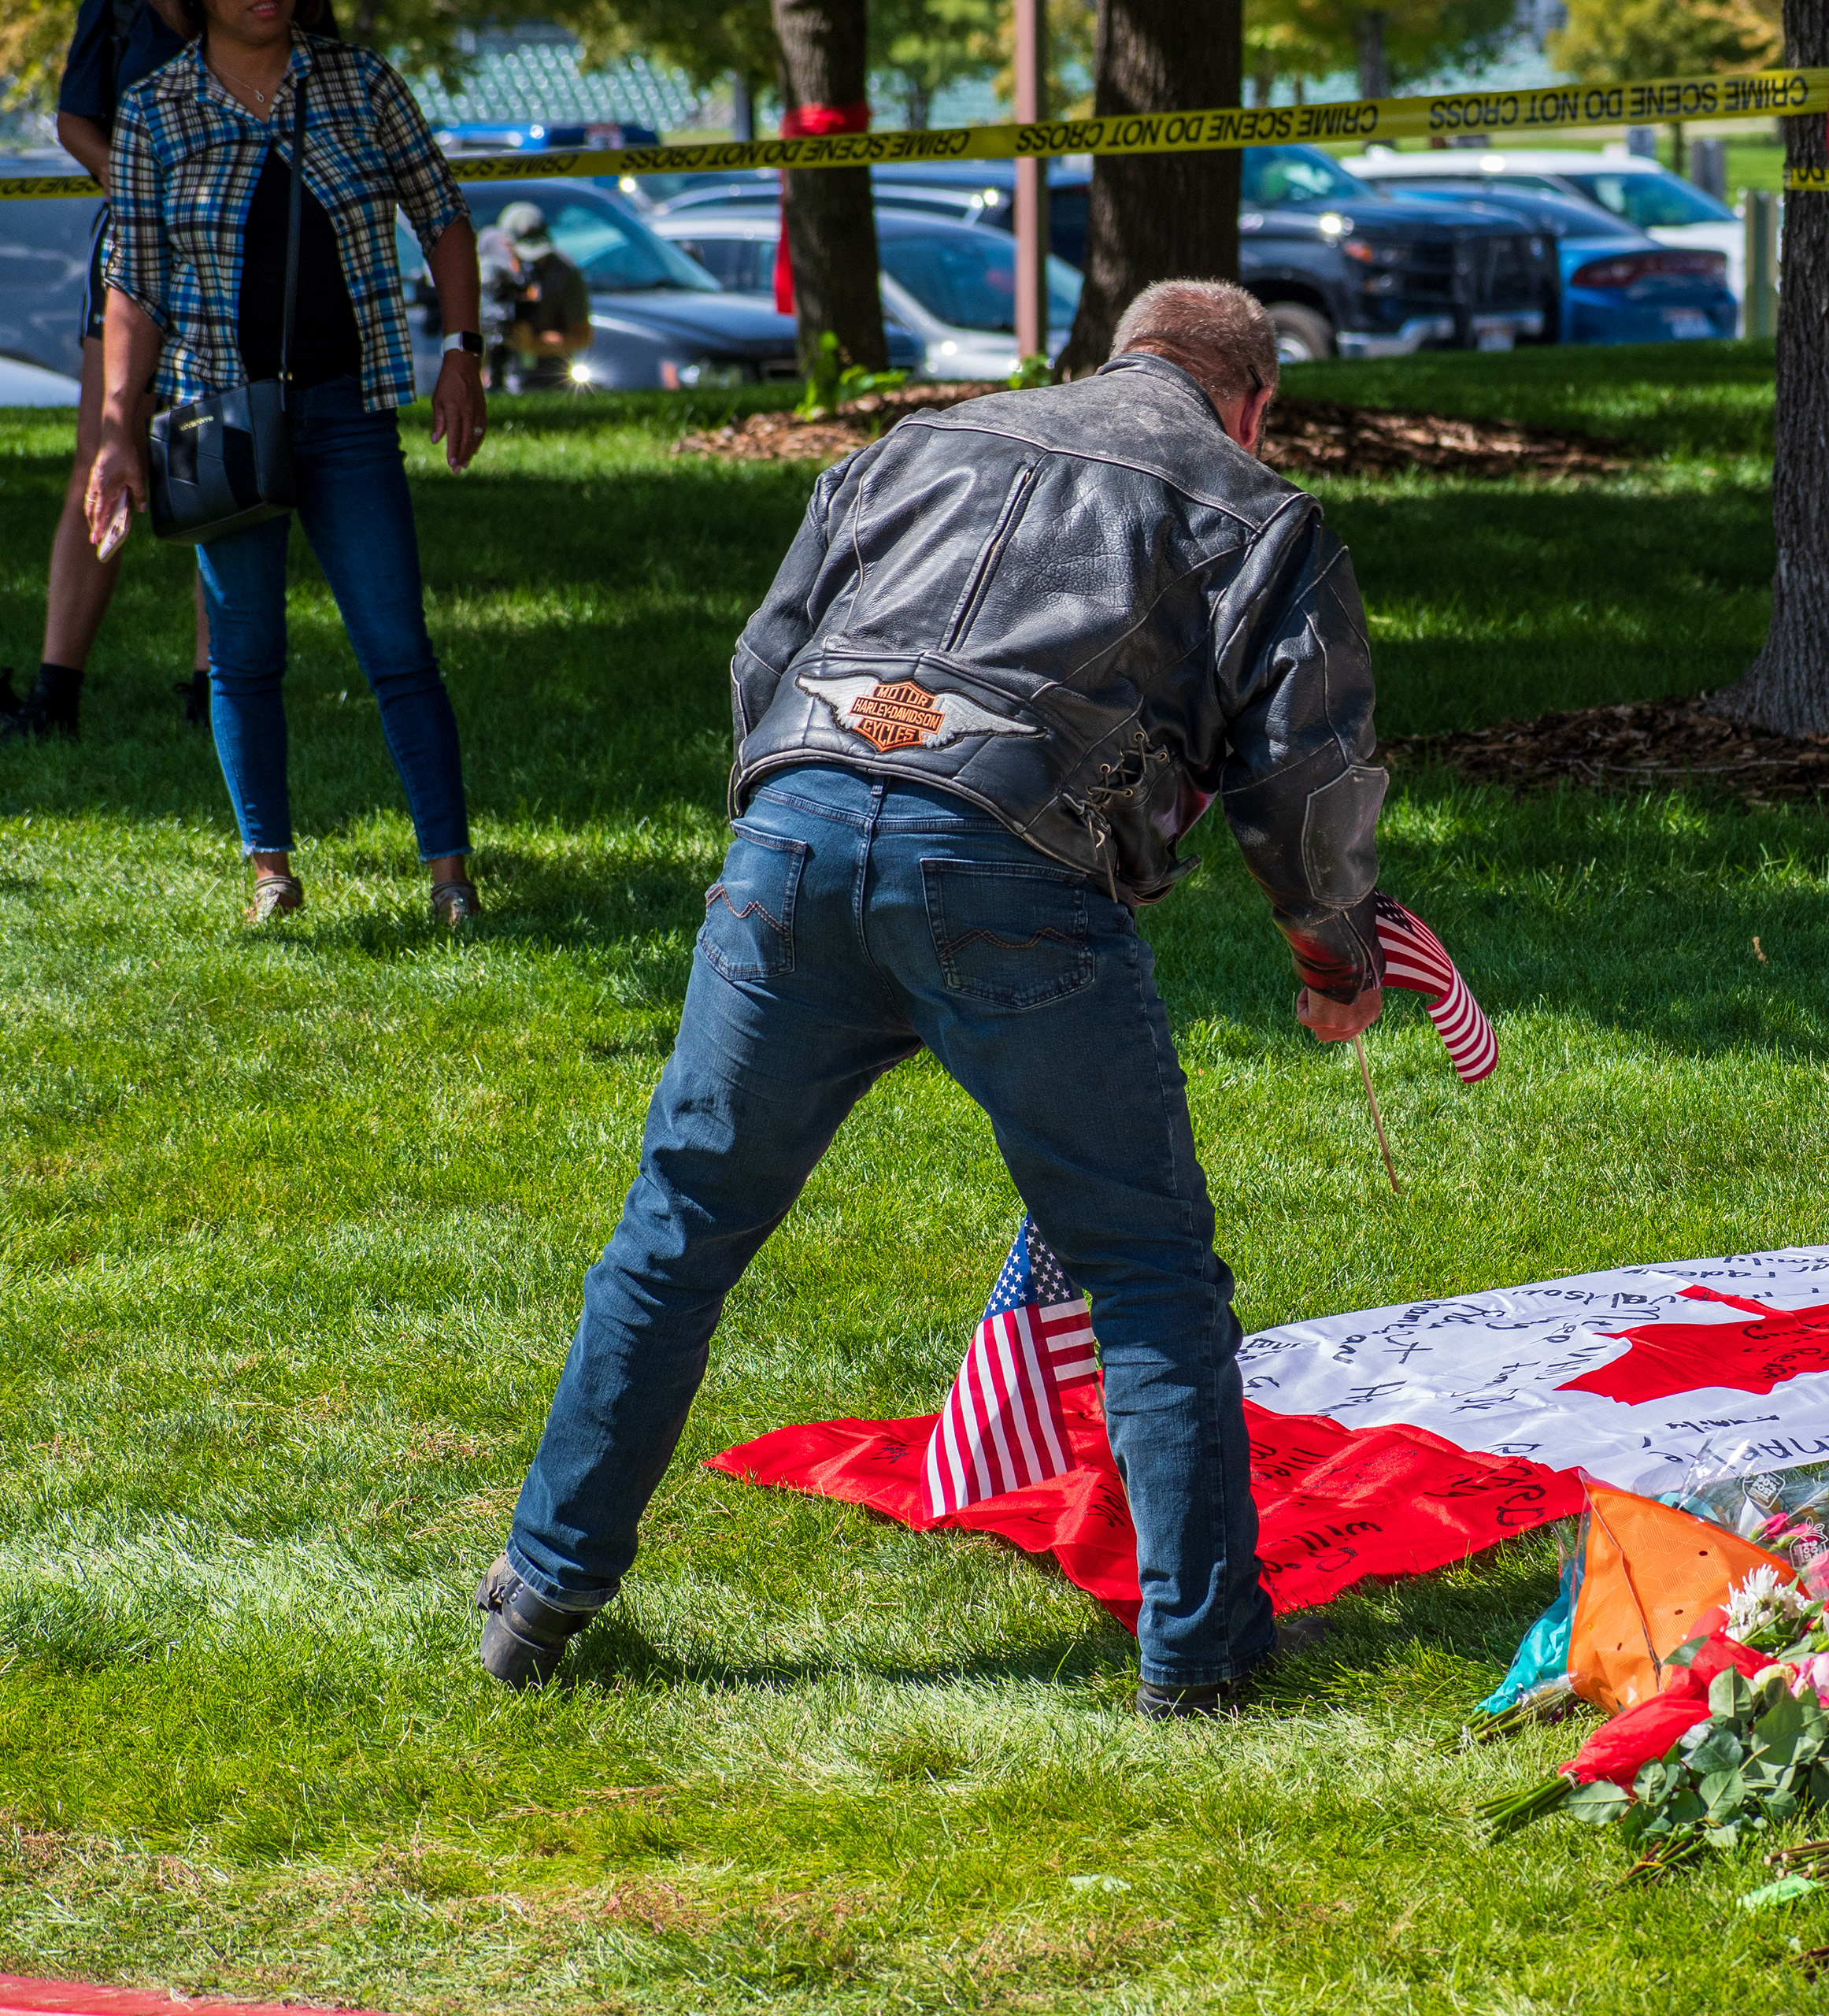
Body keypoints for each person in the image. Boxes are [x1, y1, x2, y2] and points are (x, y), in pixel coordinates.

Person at [477, 280, 1388, 1718]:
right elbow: (1307, 772)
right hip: (1013, 867)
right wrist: (1336, 957)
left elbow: (764, 662)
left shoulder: (918, 441)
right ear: (1255, 403)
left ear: (1116, 359)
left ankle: (540, 1592)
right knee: (1146, 1269)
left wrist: (793, 825)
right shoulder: (1257, 508)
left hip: (793, 837)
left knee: (679, 1228)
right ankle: (1206, 1656)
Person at [83, 0, 491, 928]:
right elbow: (134, 285)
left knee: (399, 647)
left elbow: (443, 214)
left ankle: (451, 878)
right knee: (242, 653)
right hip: (207, 413)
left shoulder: (361, 81)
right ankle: (270, 869)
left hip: (348, 407)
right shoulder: (153, 107)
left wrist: (464, 350)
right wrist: (117, 428)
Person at [2, 0, 209, 746]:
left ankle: (215, 693)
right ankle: (55, 694)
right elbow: (75, 120)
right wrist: (133, 192)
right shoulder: (114, 6)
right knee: (99, 456)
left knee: (217, 454)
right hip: (134, 237)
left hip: (238, 237)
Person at [477, 200, 591, 393]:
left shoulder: (565, 273)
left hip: (547, 379)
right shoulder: (490, 259)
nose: (534, 261)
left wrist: (533, 343)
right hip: (492, 371)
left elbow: (583, 337)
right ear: (507, 243)